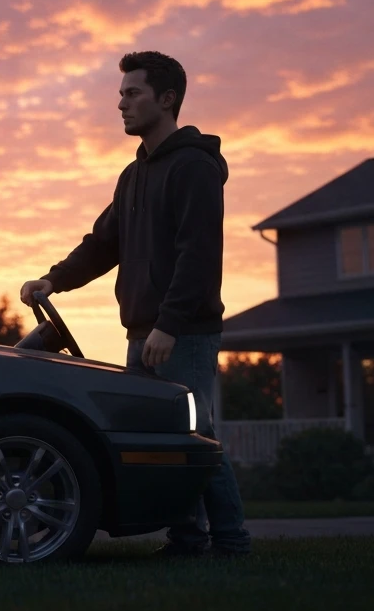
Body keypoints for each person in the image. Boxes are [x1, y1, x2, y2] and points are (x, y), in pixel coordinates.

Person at [20, 50, 251, 556]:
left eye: (132, 93)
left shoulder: (194, 167)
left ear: (167, 99)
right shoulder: (135, 174)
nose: (121, 104)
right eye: (121, 93)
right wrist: (53, 280)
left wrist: (170, 324)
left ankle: (231, 541)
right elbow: (104, 244)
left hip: (182, 333)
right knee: (166, 440)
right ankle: (188, 538)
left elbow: (199, 254)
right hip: (144, 330)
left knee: (194, 435)